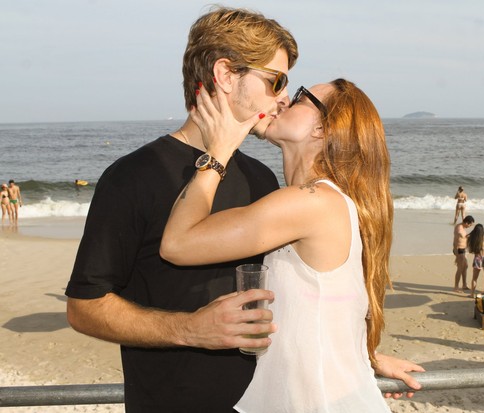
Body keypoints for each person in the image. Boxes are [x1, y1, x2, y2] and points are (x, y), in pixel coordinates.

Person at [65, 7, 417, 412]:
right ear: (226, 75)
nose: (283, 98)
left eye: (291, 89)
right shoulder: (132, 177)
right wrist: (189, 330)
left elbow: (313, 296)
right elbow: (84, 308)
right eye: (277, 81)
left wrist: (357, 361)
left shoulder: (264, 182)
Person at [161, 78, 424, 412]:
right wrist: (362, 358)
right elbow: (327, 308)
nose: (283, 101)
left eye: (301, 96)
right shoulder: (328, 202)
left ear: (321, 129)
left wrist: (219, 151)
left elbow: (178, 244)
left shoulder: (312, 203)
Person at [466, 223, 484, 296]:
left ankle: (472, 294)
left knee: (474, 278)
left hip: (477, 258)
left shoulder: (473, 239)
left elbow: (470, 251)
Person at [453, 215, 475, 292]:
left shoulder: (462, 227)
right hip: (459, 250)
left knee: (465, 266)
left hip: (463, 250)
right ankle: (456, 287)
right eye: (470, 224)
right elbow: (459, 236)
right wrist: (456, 254)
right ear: (466, 222)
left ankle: (464, 285)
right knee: (460, 268)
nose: (469, 226)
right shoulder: (459, 228)